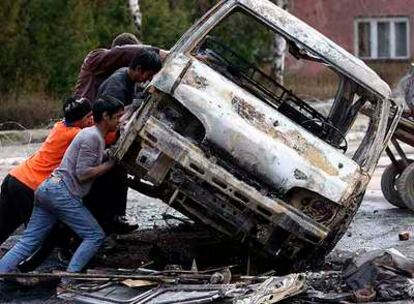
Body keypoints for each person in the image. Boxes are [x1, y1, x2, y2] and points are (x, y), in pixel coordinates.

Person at [0, 96, 124, 287]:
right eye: (117, 117)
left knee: (29, 239)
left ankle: (4, 271)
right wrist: (111, 164)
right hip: (44, 188)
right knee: (94, 235)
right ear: (104, 116)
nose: (120, 121)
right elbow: (83, 174)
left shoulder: (63, 126)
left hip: (40, 186)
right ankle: (68, 280)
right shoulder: (87, 135)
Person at [82, 49, 163, 233]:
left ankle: (110, 222)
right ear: (139, 69)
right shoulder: (116, 86)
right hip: (104, 139)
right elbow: (111, 118)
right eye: (147, 75)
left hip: (106, 137)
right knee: (107, 184)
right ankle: (108, 223)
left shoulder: (127, 78)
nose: (146, 79)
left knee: (113, 180)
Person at [0, 97, 93, 248]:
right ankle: (28, 266)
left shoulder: (59, 126)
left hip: (15, 177)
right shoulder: (75, 134)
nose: (92, 119)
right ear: (77, 121)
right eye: (88, 117)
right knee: (37, 234)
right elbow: (103, 135)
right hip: (28, 186)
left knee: (5, 226)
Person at [74, 32, 166, 103]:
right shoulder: (94, 59)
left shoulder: (123, 75)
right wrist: (157, 52)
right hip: (82, 117)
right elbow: (122, 52)